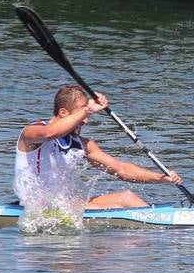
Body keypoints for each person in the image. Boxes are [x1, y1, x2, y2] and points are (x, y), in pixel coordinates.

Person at [15, 84, 182, 210]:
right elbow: (51, 133)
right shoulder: (33, 132)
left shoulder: (83, 144)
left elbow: (121, 169)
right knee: (117, 208)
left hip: (67, 205)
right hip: (38, 207)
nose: (87, 120)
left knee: (127, 198)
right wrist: (88, 109)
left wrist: (160, 178)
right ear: (64, 113)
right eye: (82, 112)